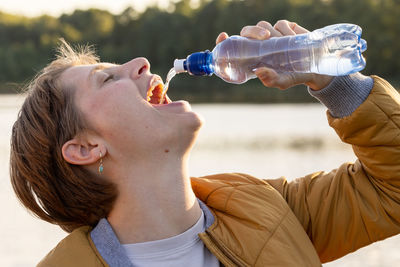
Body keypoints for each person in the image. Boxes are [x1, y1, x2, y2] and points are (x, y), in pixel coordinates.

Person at [10, 20, 400, 267]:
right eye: (109, 79)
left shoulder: (269, 211)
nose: (141, 63)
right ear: (85, 148)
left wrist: (332, 81)